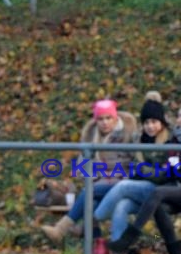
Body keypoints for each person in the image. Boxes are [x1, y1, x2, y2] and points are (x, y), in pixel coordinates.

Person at [108, 103, 181, 254]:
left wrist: (178, 171)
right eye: (178, 116)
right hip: (177, 188)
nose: (179, 120)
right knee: (157, 204)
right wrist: (171, 170)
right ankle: (175, 253)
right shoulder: (175, 141)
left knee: (157, 192)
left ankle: (128, 238)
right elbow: (167, 171)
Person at [93, 95, 181, 254]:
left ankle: (97, 216)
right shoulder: (139, 140)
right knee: (122, 205)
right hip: (144, 190)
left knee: (123, 186)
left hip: (163, 191)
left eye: (154, 122)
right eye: (147, 122)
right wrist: (146, 171)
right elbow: (136, 169)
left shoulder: (170, 141)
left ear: (161, 123)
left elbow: (165, 175)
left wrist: (145, 171)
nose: (150, 126)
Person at [40, 99, 137, 244]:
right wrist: (94, 177)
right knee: (91, 204)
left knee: (88, 192)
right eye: (100, 119)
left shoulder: (128, 136)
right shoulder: (91, 137)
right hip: (100, 186)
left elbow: (136, 163)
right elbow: (81, 167)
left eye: (108, 118)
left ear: (115, 118)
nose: (104, 122)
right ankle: (97, 247)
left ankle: (61, 229)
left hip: (123, 185)